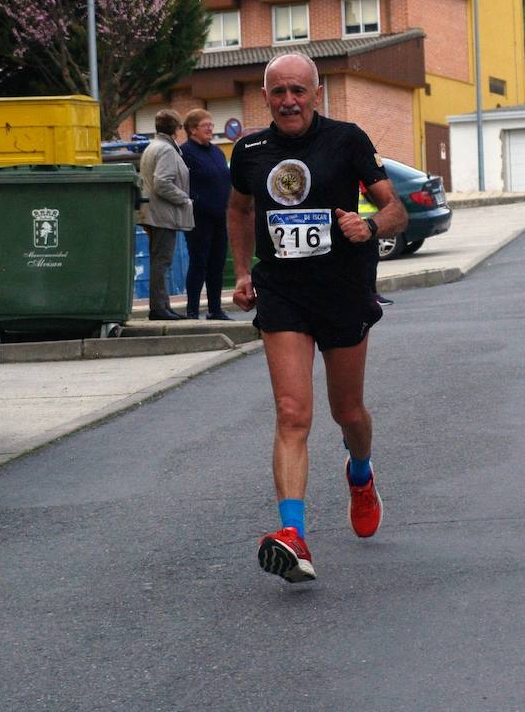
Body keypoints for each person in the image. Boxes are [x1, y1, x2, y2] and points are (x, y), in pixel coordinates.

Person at [228, 52, 408, 584]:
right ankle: (294, 536)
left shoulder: (347, 139)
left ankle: (360, 473)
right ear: (265, 97)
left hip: (343, 290)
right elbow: (239, 210)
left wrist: (370, 227)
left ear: (316, 93)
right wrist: (242, 273)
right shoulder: (250, 150)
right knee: (291, 412)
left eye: (298, 91)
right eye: (278, 92)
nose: (288, 101)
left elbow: (395, 208)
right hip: (282, 292)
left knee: (347, 412)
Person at [137, 109, 194, 320]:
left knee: (158, 261)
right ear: (176, 128)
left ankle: (162, 306)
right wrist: (184, 199)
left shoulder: (153, 147)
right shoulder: (167, 150)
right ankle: (159, 308)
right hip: (162, 214)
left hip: (152, 212)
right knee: (162, 262)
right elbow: (162, 182)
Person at [180, 109, 232, 320]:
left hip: (220, 216)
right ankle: (192, 310)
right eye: (206, 125)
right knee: (199, 262)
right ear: (192, 130)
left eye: (211, 125)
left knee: (217, 263)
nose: (211, 129)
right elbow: (181, 182)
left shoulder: (217, 152)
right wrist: (197, 201)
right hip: (199, 218)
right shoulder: (185, 152)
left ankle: (215, 308)